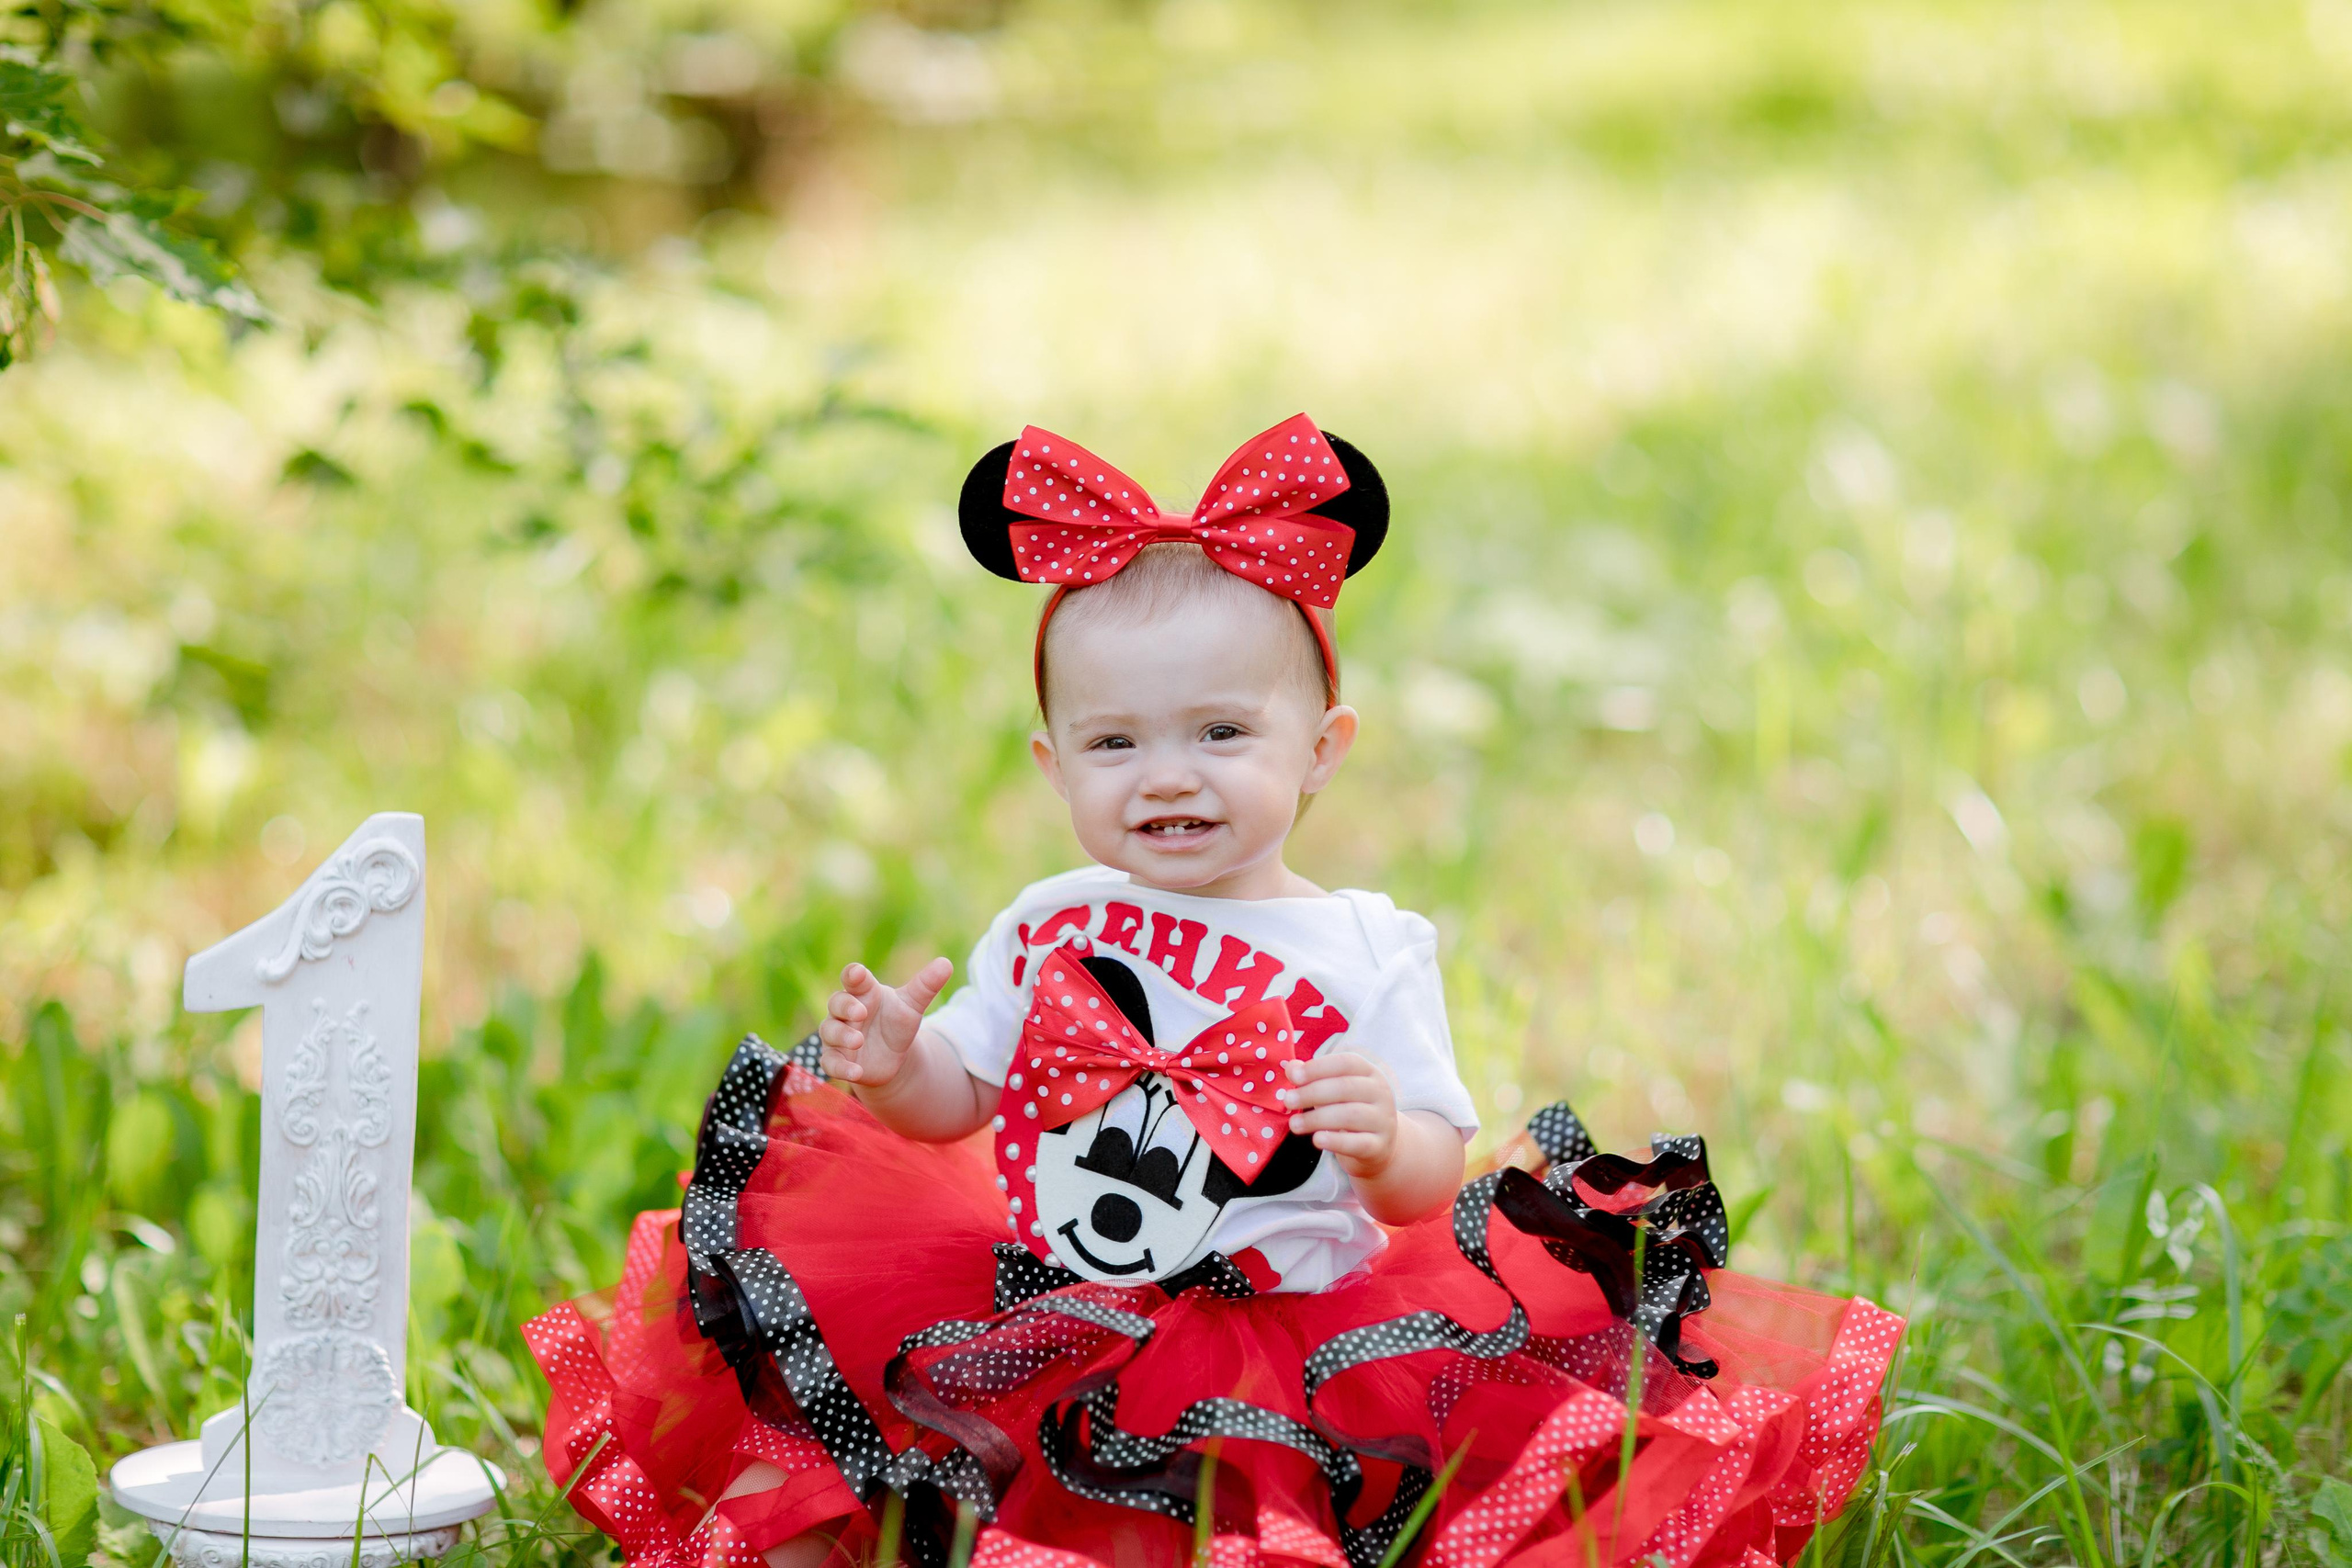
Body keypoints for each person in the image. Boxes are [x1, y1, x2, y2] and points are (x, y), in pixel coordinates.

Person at [525, 417, 1904, 1568]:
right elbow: (960, 1102)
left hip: (1289, 1327)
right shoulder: (1052, 918)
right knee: (972, 1482)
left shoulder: (1365, 945)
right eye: (1114, 740)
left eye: (1222, 733)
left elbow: (1429, 1173)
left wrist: (1380, 1138)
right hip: (1060, 1300)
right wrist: (892, 1062)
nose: (1166, 776)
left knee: (1262, 1509)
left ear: (1322, 752)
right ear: (1052, 765)